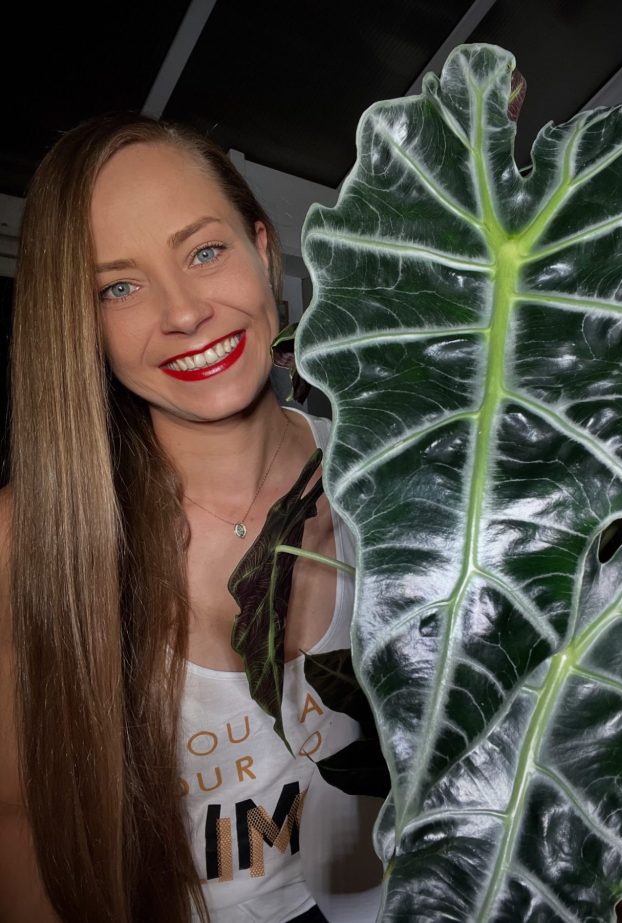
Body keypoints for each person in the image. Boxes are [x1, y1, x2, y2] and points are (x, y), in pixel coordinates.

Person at [0, 114, 381, 922]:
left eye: (204, 251)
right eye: (120, 286)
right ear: (82, 326)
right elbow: (21, 823)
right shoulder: (24, 541)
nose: (182, 312)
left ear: (262, 249)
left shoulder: (396, 477)